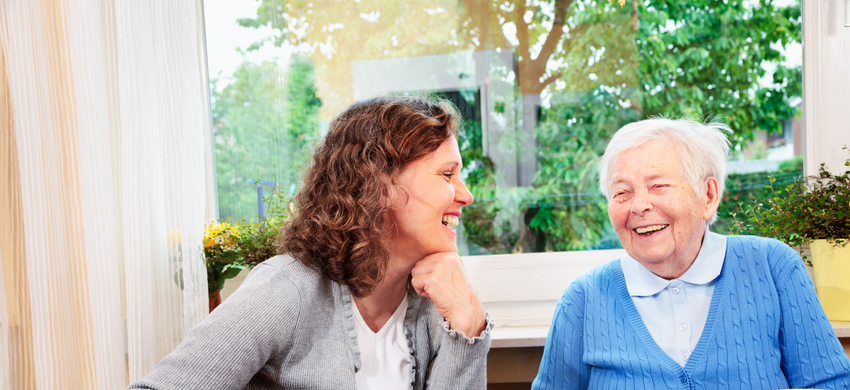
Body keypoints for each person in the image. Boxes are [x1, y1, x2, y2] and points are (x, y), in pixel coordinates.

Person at [129, 95, 493, 389]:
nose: (466, 195)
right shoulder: (287, 290)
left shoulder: (436, 301)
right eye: (447, 174)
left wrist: (469, 323)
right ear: (381, 186)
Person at [532, 118, 850, 389]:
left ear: (708, 196)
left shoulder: (772, 266)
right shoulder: (583, 299)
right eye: (621, 193)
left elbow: (829, 383)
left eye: (659, 186)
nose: (639, 205)